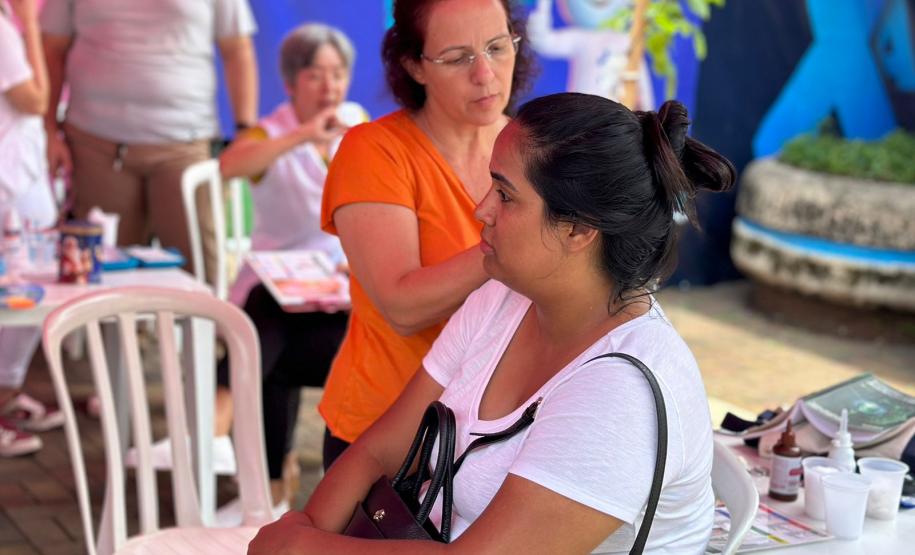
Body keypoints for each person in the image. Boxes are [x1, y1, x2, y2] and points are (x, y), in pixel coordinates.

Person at [249, 92, 736, 554]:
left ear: (581, 229)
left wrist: (303, 545)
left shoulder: (622, 391)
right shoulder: (503, 298)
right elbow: (380, 450)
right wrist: (303, 533)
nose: (481, 210)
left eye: (505, 195)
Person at [317, 0, 535, 469]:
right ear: (414, 66)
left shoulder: (534, 150)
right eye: (458, 58)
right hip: (386, 439)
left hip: (491, 440)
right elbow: (402, 306)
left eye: (498, 47)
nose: (486, 74)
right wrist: (510, 240)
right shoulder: (375, 151)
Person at [216, 22, 368, 510]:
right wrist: (305, 134)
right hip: (277, 289)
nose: (329, 87)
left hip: (339, 295)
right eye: (315, 76)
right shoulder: (273, 131)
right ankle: (265, 481)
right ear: (290, 82)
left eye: (338, 74)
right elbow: (230, 165)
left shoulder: (356, 122)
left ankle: (247, 465)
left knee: (262, 360)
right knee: (266, 321)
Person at [39, 0, 259, 282]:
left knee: (199, 273)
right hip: (95, 146)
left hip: (185, 146)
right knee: (102, 276)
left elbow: (237, 48)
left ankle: (203, 328)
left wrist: (245, 130)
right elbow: (52, 49)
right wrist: (47, 130)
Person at [0, 0, 63, 458]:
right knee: (21, 287)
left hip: (19, 174)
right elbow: (36, 99)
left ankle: (7, 389)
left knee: (24, 286)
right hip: (11, 181)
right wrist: (32, 23)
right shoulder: (7, 28)